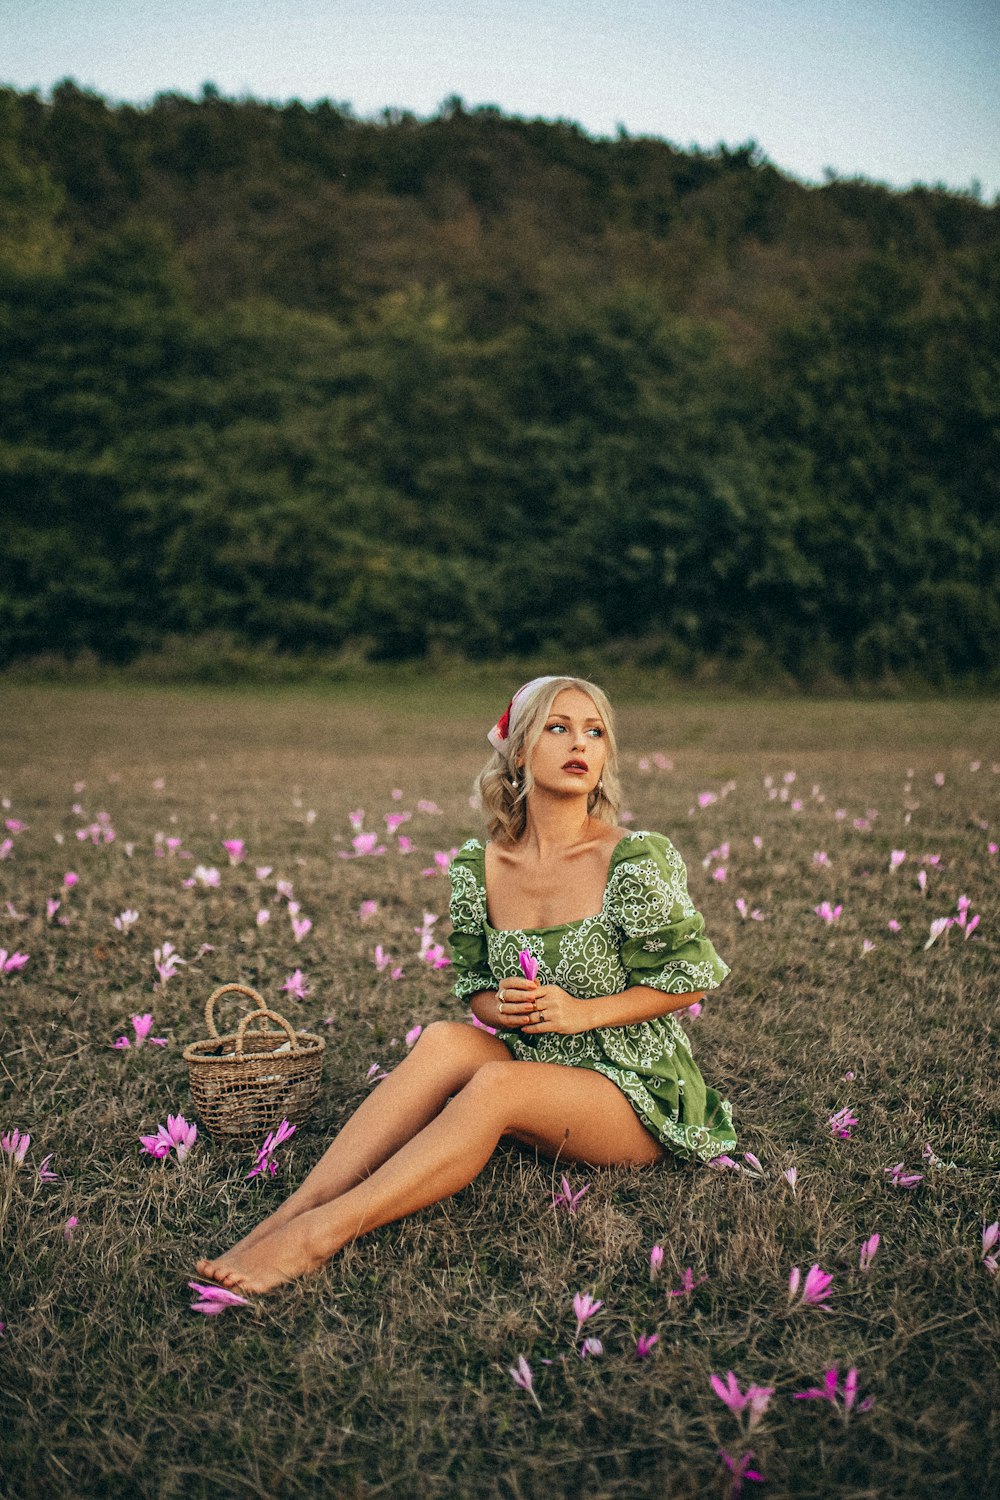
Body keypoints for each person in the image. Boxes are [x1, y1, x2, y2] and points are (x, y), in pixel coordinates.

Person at [195, 675, 735, 1295]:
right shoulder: (482, 867)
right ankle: (290, 1213)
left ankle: (321, 1235)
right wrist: (501, 1006)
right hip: (538, 1059)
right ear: (518, 751)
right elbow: (477, 989)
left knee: (494, 1087)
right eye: (557, 728)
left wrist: (581, 1013)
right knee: (446, 1040)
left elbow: (687, 983)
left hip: (634, 1088)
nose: (578, 743)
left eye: (594, 732)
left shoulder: (634, 858)